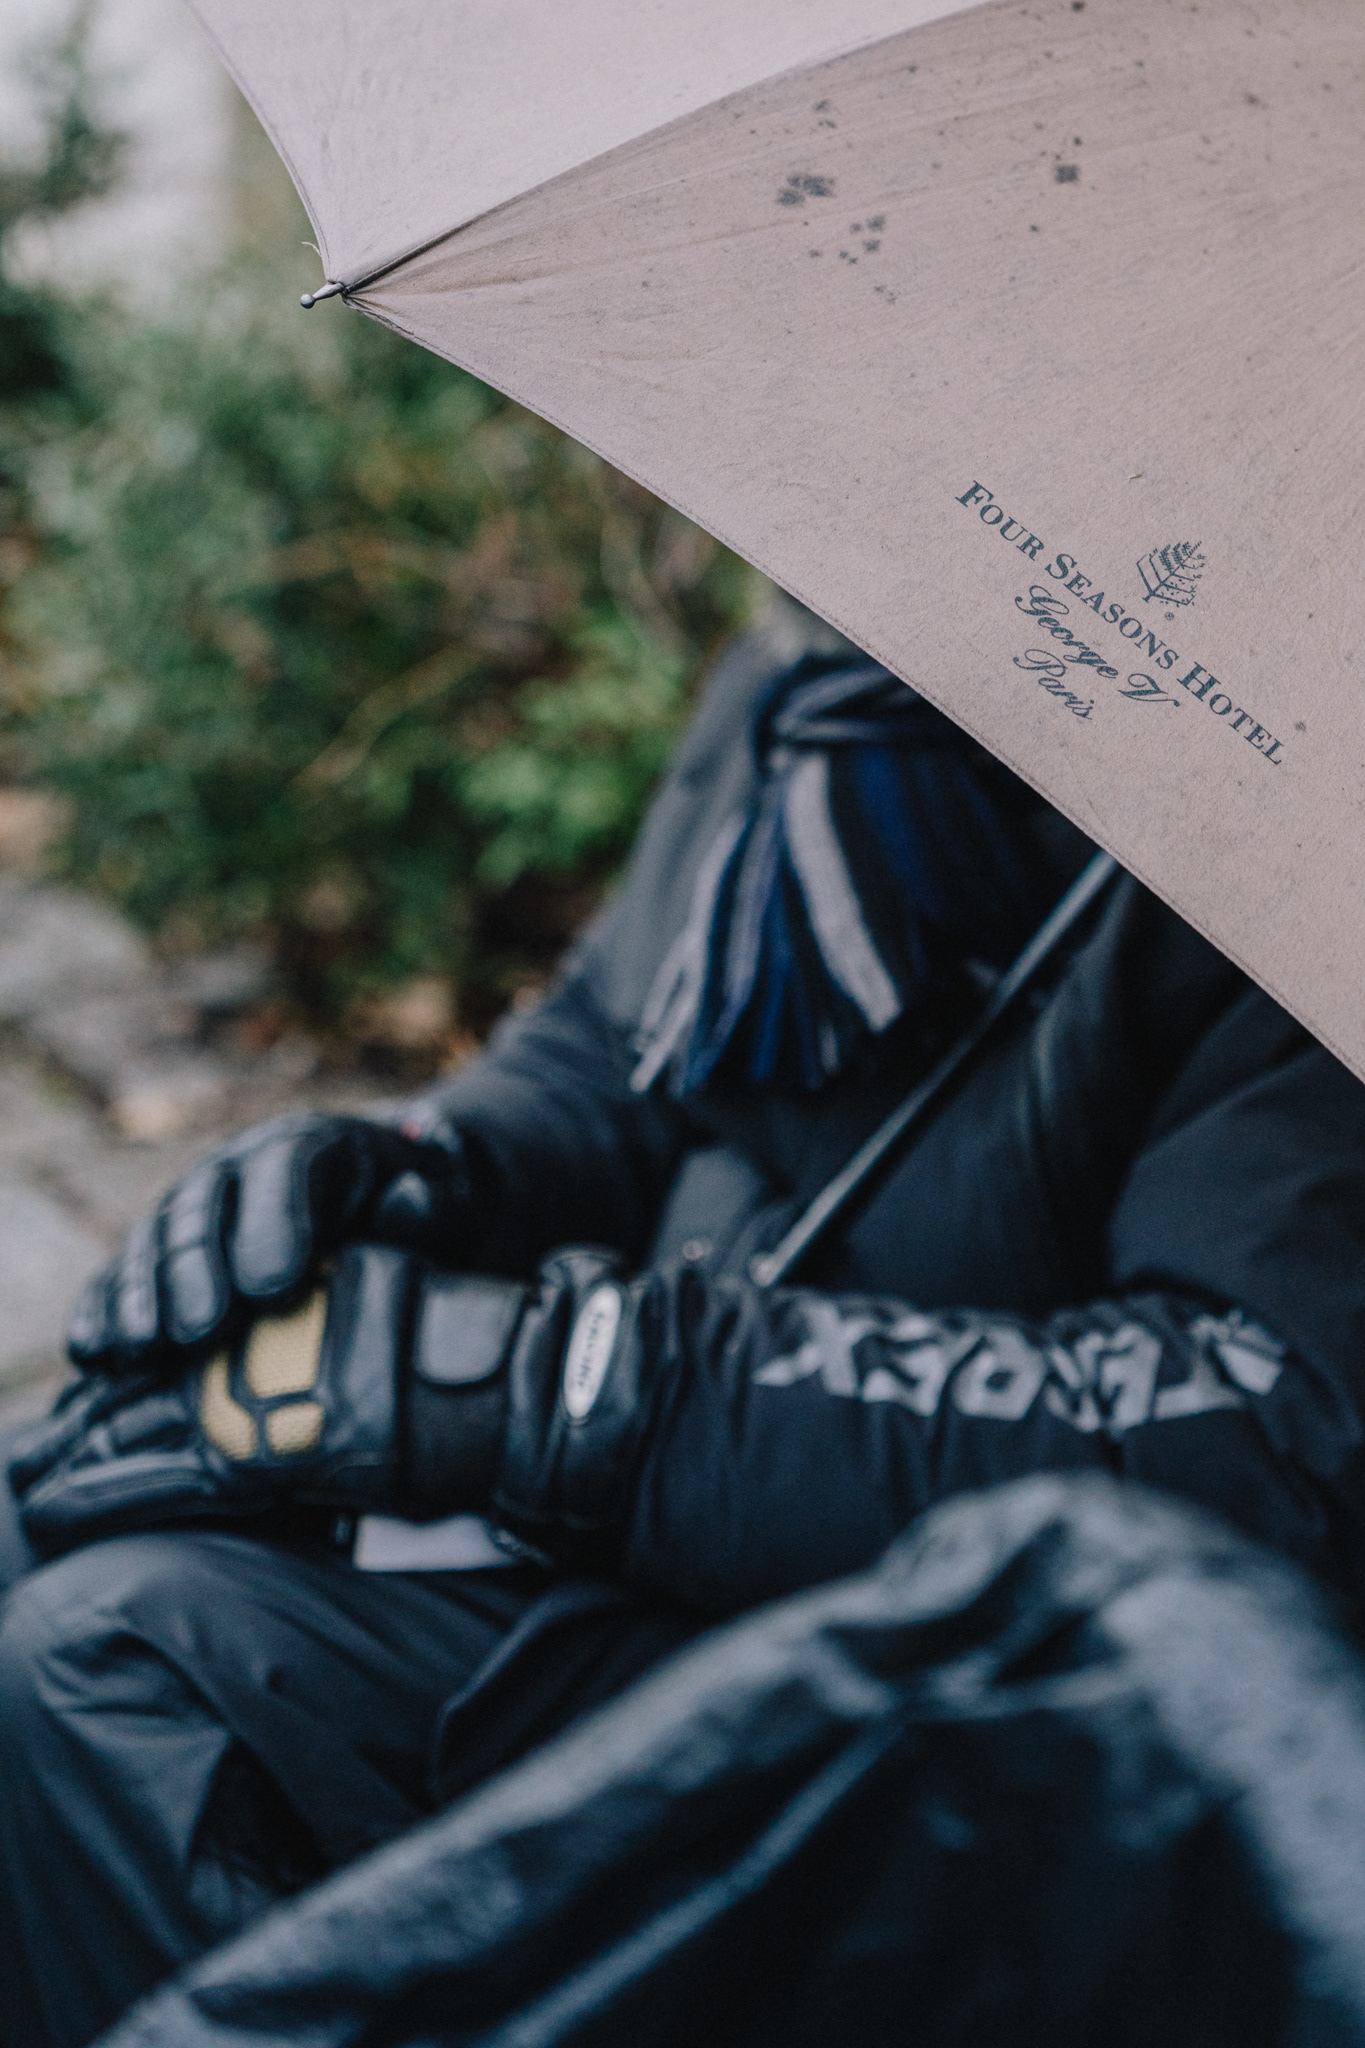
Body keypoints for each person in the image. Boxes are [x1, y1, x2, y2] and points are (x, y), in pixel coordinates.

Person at [5, 608, 1365, 2048]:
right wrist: (418, 1175)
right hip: (636, 1530)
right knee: (30, 1511)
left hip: (935, 1669)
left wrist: (577, 1393)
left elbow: (1265, 1441)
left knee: (113, 1668)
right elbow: (617, 1047)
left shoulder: (1303, 862)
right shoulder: (844, 670)